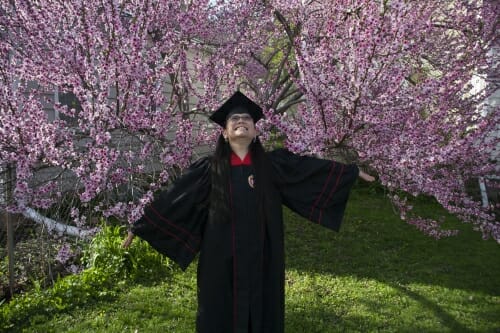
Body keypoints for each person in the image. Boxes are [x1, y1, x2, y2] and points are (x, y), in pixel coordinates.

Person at [122, 91, 375, 333]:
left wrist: (349, 173)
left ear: (255, 131)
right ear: (224, 132)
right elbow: (176, 197)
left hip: (263, 254)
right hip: (219, 259)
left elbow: (308, 171)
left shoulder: (273, 165)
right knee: (217, 310)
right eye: (234, 119)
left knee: (263, 307)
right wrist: (142, 225)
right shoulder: (209, 169)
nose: (241, 121)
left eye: (247, 119)